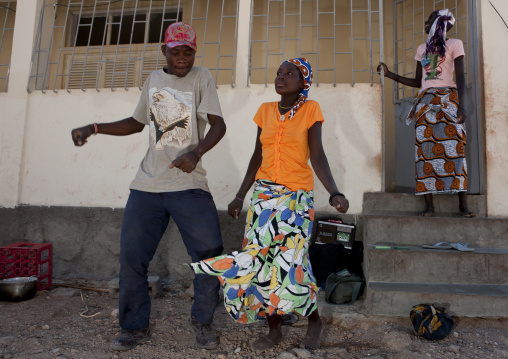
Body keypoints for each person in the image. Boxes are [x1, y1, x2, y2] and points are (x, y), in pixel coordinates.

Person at [71, 22, 226, 351]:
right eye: (176, 51)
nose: (182, 58)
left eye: (188, 51)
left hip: (189, 186)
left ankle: (203, 321)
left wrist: (196, 152)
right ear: (164, 51)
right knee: (132, 257)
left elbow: (218, 124)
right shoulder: (154, 80)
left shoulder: (202, 78)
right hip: (148, 187)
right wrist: (94, 127)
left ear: (194, 52)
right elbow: (136, 123)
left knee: (210, 255)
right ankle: (133, 326)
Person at [189, 58, 349, 352]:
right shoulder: (264, 111)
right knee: (263, 265)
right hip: (264, 196)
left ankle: (314, 321)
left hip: (295, 198)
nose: (282, 77)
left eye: (290, 73)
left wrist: (334, 192)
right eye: (279, 72)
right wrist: (240, 195)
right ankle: (273, 329)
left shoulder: (311, 110)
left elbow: (317, 155)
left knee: (293, 264)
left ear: (303, 83)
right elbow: (256, 156)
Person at [377, 9, 476, 217]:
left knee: (456, 150)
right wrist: (389, 75)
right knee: (425, 153)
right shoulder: (423, 49)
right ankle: (429, 206)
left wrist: (462, 106)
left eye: (429, 19)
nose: (425, 22)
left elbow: (459, 78)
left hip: (449, 101)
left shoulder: (455, 45)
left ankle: (463, 205)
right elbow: (418, 82)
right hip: (426, 104)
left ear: (440, 23)